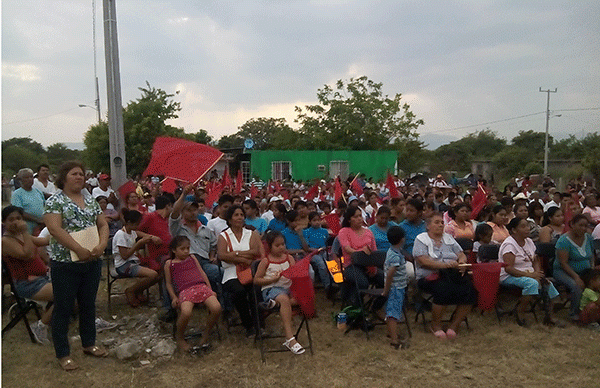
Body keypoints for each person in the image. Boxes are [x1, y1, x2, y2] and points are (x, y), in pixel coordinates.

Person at [44, 161, 109, 371]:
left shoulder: (90, 200)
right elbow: (54, 229)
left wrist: (102, 244)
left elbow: (103, 224)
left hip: (91, 260)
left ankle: (89, 343)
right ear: (63, 177)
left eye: (81, 174)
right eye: (74, 174)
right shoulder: (55, 201)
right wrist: (77, 248)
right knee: (63, 307)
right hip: (65, 262)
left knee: (88, 304)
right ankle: (63, 354)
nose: (79, 177)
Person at [413, 213, 476, 339]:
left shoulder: (448, 238)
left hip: (452, 273)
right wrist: (444, 265)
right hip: (430, 276)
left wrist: (462, 262)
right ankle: (435, 325)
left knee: (471, 291)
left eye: (442, 222)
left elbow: (461, 254)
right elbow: (423, 261)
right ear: (428, 226)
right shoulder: (421, 239)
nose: (441, 225)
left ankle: (454, 325)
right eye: (436, 222)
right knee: (443, 289)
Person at [2, 205, 54, 345]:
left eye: (19, 218)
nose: (16, 222)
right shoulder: (5, 241)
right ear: (4, 223)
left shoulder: (21, 235)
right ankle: (40, 326)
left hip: (40, 279)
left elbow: (43, 241)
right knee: (66, 292)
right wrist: (25, 231)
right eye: (11, 219)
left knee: (73, 285)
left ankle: (55, 321)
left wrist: (58, 231)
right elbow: (28, 254)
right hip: (27, 284)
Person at [498, 217, 563, 327]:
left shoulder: (528, 241)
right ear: (514, 230)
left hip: (530, 274)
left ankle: (549, 316)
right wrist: (530, 275)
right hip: (509, 276)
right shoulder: (509, 245)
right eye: (523, 227)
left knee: (548, 284)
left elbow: (535, 260)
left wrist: (537, 273)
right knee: (531, 283)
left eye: (528, 226)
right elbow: (509, 268)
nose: (527, 229)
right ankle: (520, 311)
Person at [165, 236, 222, 353]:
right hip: (185, 290)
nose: (186, 251)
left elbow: (202, 273)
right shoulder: (169, 264)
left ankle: (206, 333)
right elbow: (168, 283)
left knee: (216, 308)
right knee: (186, 312)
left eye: (188, 248)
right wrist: (174, 297)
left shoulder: (192, 258)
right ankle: (180, 337)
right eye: (182, 249)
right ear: (174, 250)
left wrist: (210, 290)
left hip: (201, 286)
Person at [253, 232, 305, 355]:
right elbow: (256, 280)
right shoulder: (266, 261)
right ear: (270, 247)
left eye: (283, 244)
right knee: (284, 300)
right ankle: (290, 338)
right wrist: (272, 280)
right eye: (277, 245)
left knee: (300, 298)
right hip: (272, 288)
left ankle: (275, 304)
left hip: (288, 289)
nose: (281, 247)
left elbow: (295, 275)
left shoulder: (289, 258)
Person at [217, 205, 263, 336]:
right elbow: (222, 256)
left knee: (255, 289)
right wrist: (242, 257)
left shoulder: (252, 233)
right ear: (230, 219)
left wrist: (234, 254)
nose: (239, 217)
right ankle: (248, 325)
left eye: (241, 215)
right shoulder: (224, 236)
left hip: (250, 270)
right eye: (236, 215)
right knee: (239, 292)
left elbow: (255, 252)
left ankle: (260, 324)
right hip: (230, 272)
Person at [169, 185, 221, 294]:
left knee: (221, 273)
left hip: (205, 263)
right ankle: (171, 308)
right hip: (185, 263)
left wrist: (212, 256)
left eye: (195, 210)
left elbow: (213, 245)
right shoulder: (177, 229)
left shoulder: (206, 230)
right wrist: (183, 194)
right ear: (182, 213)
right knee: (170, 275)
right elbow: (174, 212)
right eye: (189, 210)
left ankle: (224, 305)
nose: (193, 213)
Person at [113, 209, 161, 307]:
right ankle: (131, 291)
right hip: (123, 265)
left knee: (159, 273)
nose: (138, 226)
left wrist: (153, 237)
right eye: (137, 223)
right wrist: (139, 244)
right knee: (152, 274)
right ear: (129, 223)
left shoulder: (133, 232)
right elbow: (125, 256)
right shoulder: (121, 235)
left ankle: (139, 290)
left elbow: (145, 235)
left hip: (134, 262)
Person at [338, 206, 383, 307]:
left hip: (369, 265)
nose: (359, 218)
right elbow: (347, 249)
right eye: (356, 216)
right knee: (362, 283)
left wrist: (373, 266)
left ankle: (374, 307)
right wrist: (361, 252)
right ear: (349, 219)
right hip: (351, 266)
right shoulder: (344, 231)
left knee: (385, 280)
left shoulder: (368, 232)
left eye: (360, 216)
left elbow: (374, 251)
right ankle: (356, 307)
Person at [554, 214, 595, 321]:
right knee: (576, 285)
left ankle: (592, 311)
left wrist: (592, 269)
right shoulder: (564, 241)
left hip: (585, 270)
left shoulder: (588, 238)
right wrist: (576, 277)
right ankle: (574, 313)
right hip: (563, 271)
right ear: (572, 224)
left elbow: (592, 256)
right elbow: (563, 263)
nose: (583, 228)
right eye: (580, 225)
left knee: (596, 282)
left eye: (586, 226)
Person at [381, 226, 409, 350]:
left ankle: (390, 333)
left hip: (397, 287)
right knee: (393, 313)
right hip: (395, 288)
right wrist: (386, 290)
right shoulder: (395, 256)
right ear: (402, 239)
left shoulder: (393, 251)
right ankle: (394, 340)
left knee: (391, 310)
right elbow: (390, 274)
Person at [11, 168, 45, 235]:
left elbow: (44, 206)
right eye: (26, 177)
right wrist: (37, 220)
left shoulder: (38, 191)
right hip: (27, 228)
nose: (30, 179)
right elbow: (19, 212)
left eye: (31, 177)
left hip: (41, 227)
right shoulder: (17, 194)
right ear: (20, 180)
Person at [303, 211, 331, 293]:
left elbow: (328, 243)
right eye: (314, 220)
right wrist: (317, 250)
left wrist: (325, 249)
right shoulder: (306, 232)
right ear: (309, 222)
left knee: (332, 262)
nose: (317, 222)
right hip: (313, 253)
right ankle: (328, 286)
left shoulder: (325, 231)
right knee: (321, 264)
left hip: (324, 251)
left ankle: (336, 283)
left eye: (318, 220)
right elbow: (307, 247)